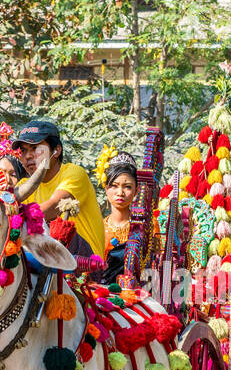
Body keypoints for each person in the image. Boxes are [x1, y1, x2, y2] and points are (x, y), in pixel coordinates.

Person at [11, 119, 106, 257]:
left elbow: (53, 207)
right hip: (44, 263)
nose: (27, 156)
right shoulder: (22, 185)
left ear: (56, 151)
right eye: (24, 151)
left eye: (35, 148)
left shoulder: (73, 173)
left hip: (85, 267)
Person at [100, 151, 139, 285]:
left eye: (127, 187)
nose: (120, 193)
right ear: (106, 188)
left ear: (136, 190)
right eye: (114, 186)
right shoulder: (98, 228)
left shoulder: (144, 227)